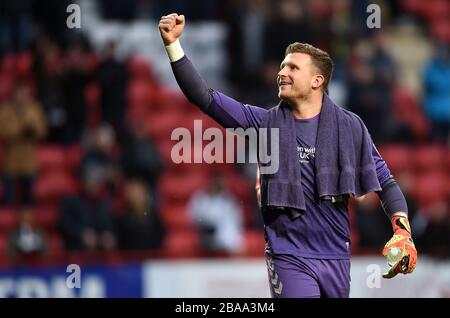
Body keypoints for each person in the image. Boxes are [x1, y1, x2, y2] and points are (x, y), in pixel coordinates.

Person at [158, 13, 417, 298]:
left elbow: (386, 183)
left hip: (336, 257)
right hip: (288, 255)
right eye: (282, 66)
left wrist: (402, 231)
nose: (282, 73)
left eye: (293, 68)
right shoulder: (263, 123)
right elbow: (204, 98)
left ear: (317, 80)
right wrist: (173, 46)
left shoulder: (351, 126)